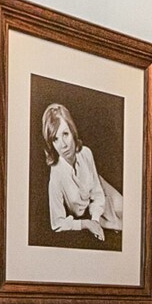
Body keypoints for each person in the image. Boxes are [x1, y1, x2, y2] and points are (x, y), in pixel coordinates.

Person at [41, 102, 123, 242]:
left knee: (132, 218)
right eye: (55, 139)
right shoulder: (56, 176)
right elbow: (57, 223)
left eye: (65, 134)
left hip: (103, 193)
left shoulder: (86, 153)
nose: (63, 145)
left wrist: (95, 219)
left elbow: (97, 193)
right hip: (85, 212)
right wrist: (86, 224)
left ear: (72, 132)